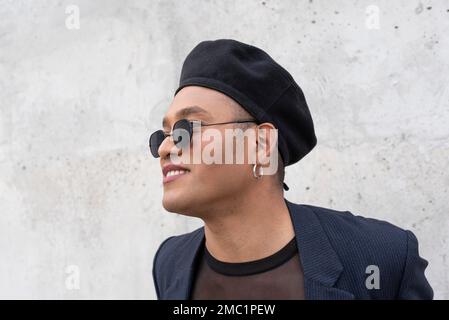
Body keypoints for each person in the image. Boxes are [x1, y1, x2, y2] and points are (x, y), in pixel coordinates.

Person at [150, 39, 433, 300]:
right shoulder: (171, 263)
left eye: (187, 128)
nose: (164, 148)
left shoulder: (380, 256)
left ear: (261, 145)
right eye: (162, 135)